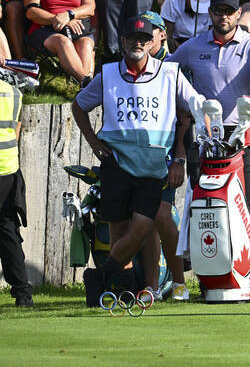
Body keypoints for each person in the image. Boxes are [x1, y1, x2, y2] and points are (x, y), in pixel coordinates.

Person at [74, 15, 205, 308]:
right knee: (120, 229)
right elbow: (79, 105)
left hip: (153, 164)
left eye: (143, 39)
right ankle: (121, 288)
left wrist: (209, 116)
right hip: (117, 161)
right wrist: (93, 142)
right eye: (132, 38)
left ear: (152, 42)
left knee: (145, 224)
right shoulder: (107, 74)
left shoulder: (169, 73)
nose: (138, 43)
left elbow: (192, 106)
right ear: (122, 41)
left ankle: (105, 277)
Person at [167, 0, 250, 301]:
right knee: (205, 205)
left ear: (238, 14)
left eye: (229, 11)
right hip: (204, 136)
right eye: (218, 11)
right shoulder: (193, 46)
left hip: (239, 136)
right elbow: (167, 72)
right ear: (211, 13)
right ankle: (213, 276)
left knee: (244, 206)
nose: (223, 16)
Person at [0, 48, 31, 307]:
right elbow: (16, 128)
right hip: (8, 170)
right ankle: (23, 294)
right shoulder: (13, 92)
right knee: (8, 232)